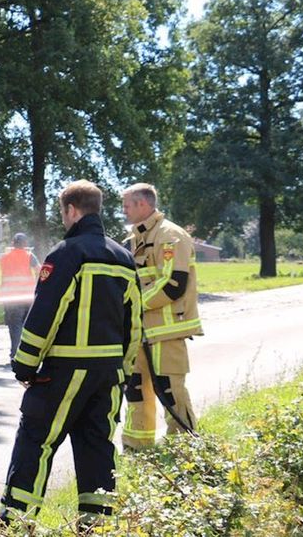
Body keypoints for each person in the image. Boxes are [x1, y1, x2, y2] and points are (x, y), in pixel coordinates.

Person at [0, 180, 141, 528]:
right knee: (97, 449)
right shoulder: (124, 258)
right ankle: (96, 526)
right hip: (107, 377)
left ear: (71, 210)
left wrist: (25, 366)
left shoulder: (67, 254)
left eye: (63, 212)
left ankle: (15, 523)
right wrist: (123, 371)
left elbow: (45, 314)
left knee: (36, 441)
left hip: (63, 372)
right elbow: (135, 323)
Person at [120, 183, 201, 450]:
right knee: (135, 391)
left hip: (166, 331)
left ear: (143, 204)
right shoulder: (131, 241)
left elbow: (173, 283)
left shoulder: (171, 236)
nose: (124, 211)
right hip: (138, 332)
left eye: (127, 205)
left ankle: (185, 450)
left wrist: (134, 304)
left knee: (170, 391)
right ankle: (137, 449)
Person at [0, 233, 40, 363]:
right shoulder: (29, 256)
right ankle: (28, 355)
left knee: (14, 326)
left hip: (11, 298)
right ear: (25, 244)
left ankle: (15, 353)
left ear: (12, 243)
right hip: (27, 297)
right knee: (28, 327)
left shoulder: (4, 257)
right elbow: (39, 271)